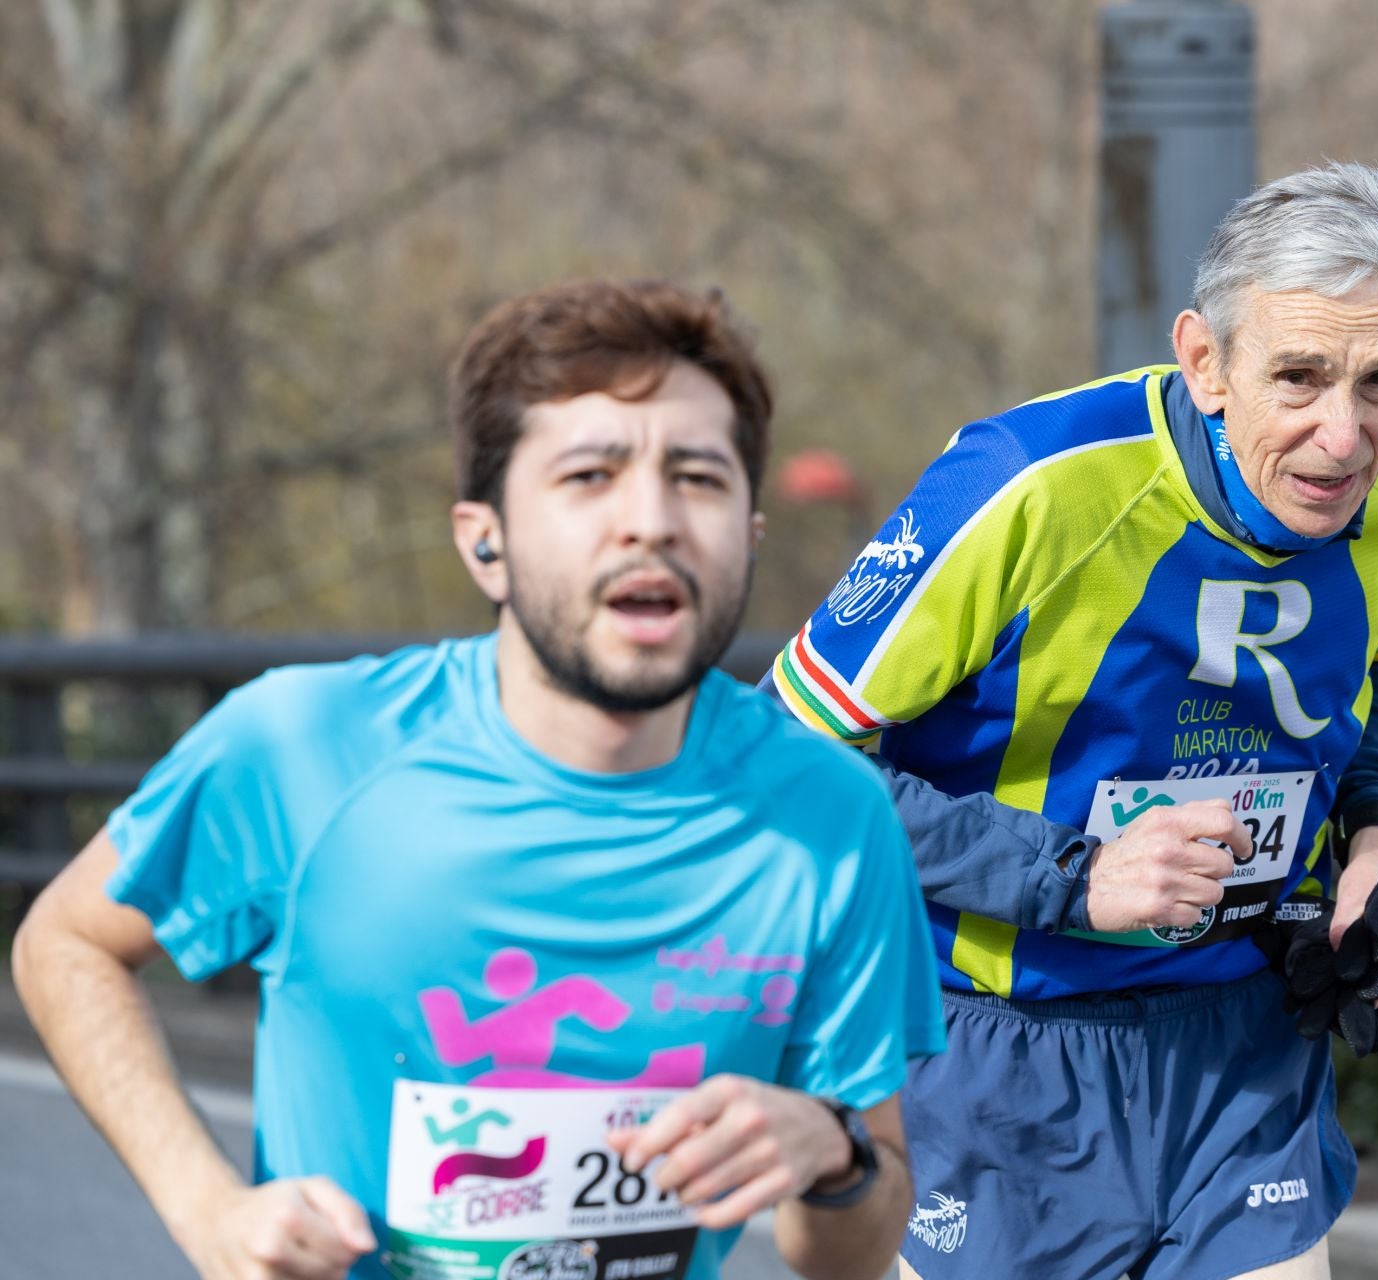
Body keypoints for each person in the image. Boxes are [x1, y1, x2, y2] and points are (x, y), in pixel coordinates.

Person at [12, 279, 944, 1280]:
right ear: (484, 540)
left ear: (748, 534)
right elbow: (66, 943)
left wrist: (831, 1150)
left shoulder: (829, 818)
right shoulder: (305, 747)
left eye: (698, 477)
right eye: (591, 474)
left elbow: (846, 1251)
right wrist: (210, 1209)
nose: (652, 519)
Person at [765, 162, 1378, 1279]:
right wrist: (1072, 880)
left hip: (1246, 1043)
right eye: (1298, 377)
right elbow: (780, 763)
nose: (1344, 436)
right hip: (997, 1055)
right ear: (1205, 360)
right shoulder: (1028, 484)